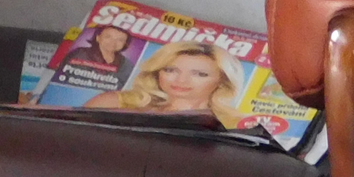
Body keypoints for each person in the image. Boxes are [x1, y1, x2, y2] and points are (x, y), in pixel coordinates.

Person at [85, 41, 245, 127]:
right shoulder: (113, 103)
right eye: (170, 70)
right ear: (156, 71)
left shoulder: (234, 125)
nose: (181, 80)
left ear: (223, 81)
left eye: (200, 74)